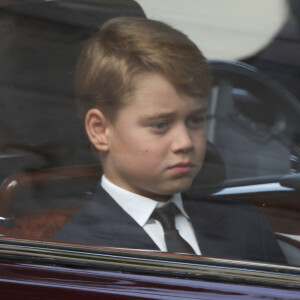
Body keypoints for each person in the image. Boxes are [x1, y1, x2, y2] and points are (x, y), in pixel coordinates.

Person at [53, 17, 286, 263]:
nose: (185, 142)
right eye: (160, 125)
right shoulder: (75, 253)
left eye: (195, 120)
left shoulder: (246, 224)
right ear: (100, 131)